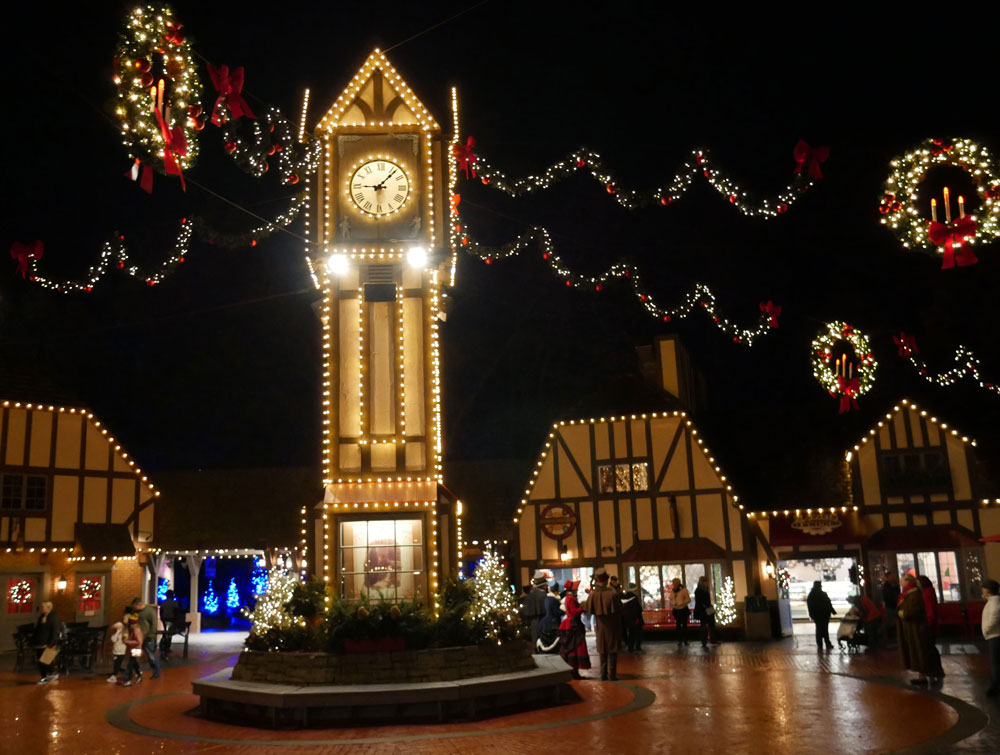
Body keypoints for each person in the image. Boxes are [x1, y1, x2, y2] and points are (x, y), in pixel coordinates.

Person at [897, 573, 945, 685]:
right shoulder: (912, 594)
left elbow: (917, 610)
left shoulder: (915, 594)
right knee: (923, 650)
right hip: (916, 627)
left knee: (923, 651)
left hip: (919, 627)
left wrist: (901, 613)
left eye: (902, 580)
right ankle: (926, 674)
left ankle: (929, 673)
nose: (900, 582)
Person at [584, 568, 623, 681]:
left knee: (602, 650)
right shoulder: (612, 593)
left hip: (600, 627)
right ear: (606, 580)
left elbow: (588, 609)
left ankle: (603, 674)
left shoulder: (592, 594)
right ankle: (612, 674)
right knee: (612, 650)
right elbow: (620, 608)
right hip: (613, 626)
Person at [558, 580, 591, 678]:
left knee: (573, 647)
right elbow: (574, 611)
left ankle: (574, 671)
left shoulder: (569, 598)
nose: (577, 589)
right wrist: (582, 607)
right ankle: (574, 672)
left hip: (571, 624)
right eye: (575, 588)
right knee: (575, 647)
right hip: (573, 625)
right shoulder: (571, 598)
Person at [132, 596, 162, 679]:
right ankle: (136, 671)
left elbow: (154, 624)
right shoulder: (137, 612)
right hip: (139, 637)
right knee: (135, 655)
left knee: (151, 655)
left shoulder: (150, 611)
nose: (135, 609)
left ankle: (156, 672)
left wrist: (151, 635)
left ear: (139, 605)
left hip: (147, 637)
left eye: (135, 607)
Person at [32, 600, 60, 684]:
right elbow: (38, 629)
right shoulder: (42, 617)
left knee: (47, 660)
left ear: (48, 607)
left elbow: (55, 631)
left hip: (48, 643)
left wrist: (52, 643)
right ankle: (43, 676)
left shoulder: (53, 617)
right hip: (40, 642)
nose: (41, 608)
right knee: (40, 661)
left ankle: (52, 675)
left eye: (43, 607)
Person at [981, 578, 1000, 697]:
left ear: (988, 590)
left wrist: (987, 629)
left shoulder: (995, 602)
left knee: (996, 662)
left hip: (995, 635)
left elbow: (994, 617)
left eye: (983, 589)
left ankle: (994, 686)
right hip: (993, 634)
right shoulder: (993, 601)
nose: (982, 592)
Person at [521, 574, 549, 647]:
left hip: (533, 623)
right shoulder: (544, 595)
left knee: (535, 640)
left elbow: (526, 612)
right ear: (543, 585)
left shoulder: (530, 595)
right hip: (544, 621)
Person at [536, 581, 564, 653]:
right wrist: (563, 611)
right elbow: (556, 612)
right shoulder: (554, 600)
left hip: (545, 623)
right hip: (553, 623)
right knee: (554, 641)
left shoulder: (547, 598)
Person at [807, 581, 835, 650]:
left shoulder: (811, 595)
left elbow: (810, 605)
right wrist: (832, 611)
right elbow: (828, 603)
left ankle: (820, 644)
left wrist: (811, 614)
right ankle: (827, 643)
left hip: (817, 615)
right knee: (825, 629)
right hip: (825, 614)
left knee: (819, 629)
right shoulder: (823, 594)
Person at [694, 576, 720, 647]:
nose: (707, 583)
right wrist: (707, 607)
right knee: (705, 626)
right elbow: (700, 602)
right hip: (704, 611)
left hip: (704, 610)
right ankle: (707, 641)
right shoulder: (700, 590)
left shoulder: (701, 590)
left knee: (706, 626)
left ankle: (707, 641)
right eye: (706, 582)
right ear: (703, 582)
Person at [122, 607, 144, 686]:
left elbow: (138, 641)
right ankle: (139, 675)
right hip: (135, 649)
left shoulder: (136, 630)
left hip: (136, 649)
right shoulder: (135, 629)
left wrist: (127, 641)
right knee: (134, 663)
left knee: (130, 664)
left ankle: (128, 679)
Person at [621, 582, 644, 653]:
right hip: (635, 619)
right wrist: (638, 618)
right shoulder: (634, 597)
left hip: (627, 619)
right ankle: (637, 647)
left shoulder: (624, 597)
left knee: (631, 633)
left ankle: (630, 647)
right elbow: (637, 609)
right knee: (637, 633)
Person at [158, 589, 181, 658]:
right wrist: (176, 620)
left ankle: (163, 646)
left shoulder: (163, 603)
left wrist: (162, 619)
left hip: (165, 619)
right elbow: (176, 612)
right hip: (171, 619)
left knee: (166, 633)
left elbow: (161, 612)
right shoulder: (174, 603)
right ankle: (166, 647)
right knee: (169, 634)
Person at [670, 577, 691, 646]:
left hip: (683, 609)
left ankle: (685, 640)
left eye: (675, 583)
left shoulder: (684, 590)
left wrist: (682, 603)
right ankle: (679, 640)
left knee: (684, 625)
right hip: (676, 610)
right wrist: (673, 604)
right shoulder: (672, 591)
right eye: (673, 583)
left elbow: (688, 599)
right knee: (678, 625)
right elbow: (671, 599)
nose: (674, 584)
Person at [882, 571, 901, 644]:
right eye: (892, 576)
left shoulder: (890, 586)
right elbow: (890, 597)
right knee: (890, 622)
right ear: (888, 577)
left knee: (891, 622)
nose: (894, 578)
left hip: (891, 606)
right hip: (891, 607)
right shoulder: (887, 586)